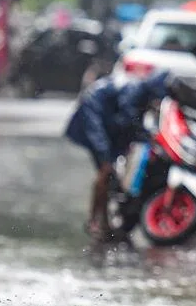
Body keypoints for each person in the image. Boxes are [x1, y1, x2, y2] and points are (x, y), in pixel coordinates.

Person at [65, 70, 172, 241]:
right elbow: (127, 119)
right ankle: (94, 220)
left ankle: (104, 222)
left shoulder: (141, 91)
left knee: (108, 172)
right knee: (105, 169)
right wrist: (144, 137)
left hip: (105, 120)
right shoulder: (135, 90)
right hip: (94, 116)